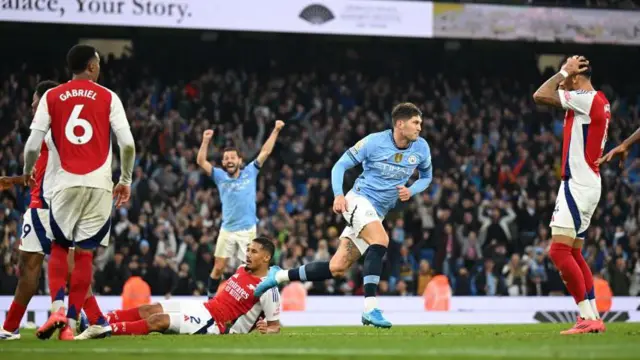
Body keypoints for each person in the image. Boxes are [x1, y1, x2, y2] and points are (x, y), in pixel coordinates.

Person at [254, 102, 433, 328]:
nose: (420, 127)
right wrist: (339, 195)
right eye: (415, 122)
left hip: (377, 212)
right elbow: (339, 166)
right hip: (357, 200)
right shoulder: (373, 142)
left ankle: (278, 276)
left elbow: (426, 177)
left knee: (336, 268)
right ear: (400, 124)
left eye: (420, 123)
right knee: (381, 240)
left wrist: (411, 189)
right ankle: (370, 308)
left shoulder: (421, 148)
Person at [23, 44, 136, 340]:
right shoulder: (110, 97)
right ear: (91, 66)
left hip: (64, 184)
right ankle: (70, 327)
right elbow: (127, 144)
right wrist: (124, 179)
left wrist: (26, 171)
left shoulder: (51, 95)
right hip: (100, 185)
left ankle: (58, 309)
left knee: (60, 247)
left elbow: (33, 145)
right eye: (98, 62)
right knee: (85, 255)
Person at [0, 81, 108, 341]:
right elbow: (41, 171)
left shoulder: (52, 129)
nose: (32, 105)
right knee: (57, 267)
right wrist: (14, 180)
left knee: (34, 266)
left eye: (36, 101)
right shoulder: (54, 130)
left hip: (47, 206)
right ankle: (95, 319)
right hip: (48, 203)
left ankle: (11, 327)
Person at [533, 55, 609, 334]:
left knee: (558, 250)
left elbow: (540, 95)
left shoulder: (586, 99)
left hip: (578, 184)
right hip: (587, 183)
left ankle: (586, 316)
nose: (563, 80)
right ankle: (591, 317)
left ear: (577, 78)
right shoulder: (597, 99)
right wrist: (566, 72)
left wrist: (563, 71)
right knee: (574, 253)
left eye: (567, 76)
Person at [77, 236, 280, 339]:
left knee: (157, 321)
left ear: (266, 257)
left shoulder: (269, 288)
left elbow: (274, 326)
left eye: (253, 252)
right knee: (150, 308)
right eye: (248, 250)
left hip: (216, 325)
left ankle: (104, 330)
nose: (248, 254)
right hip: (205, 308)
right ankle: (98, 319)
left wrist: (265, 328)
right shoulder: (242, 268)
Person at [196, 121, 284, 298]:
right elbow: (200, 161)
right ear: (223, 162)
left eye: (232, 158)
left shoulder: (250, 172)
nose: (229, 160)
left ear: (239, 161)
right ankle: (210, 301)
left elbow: (265, 152)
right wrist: (205, 141)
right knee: (218, 267)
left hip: (247, 230)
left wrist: (275, 130)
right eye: (226, 158)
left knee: (251, 270)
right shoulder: (219, 176)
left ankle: (256, 306)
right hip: (227, 229)